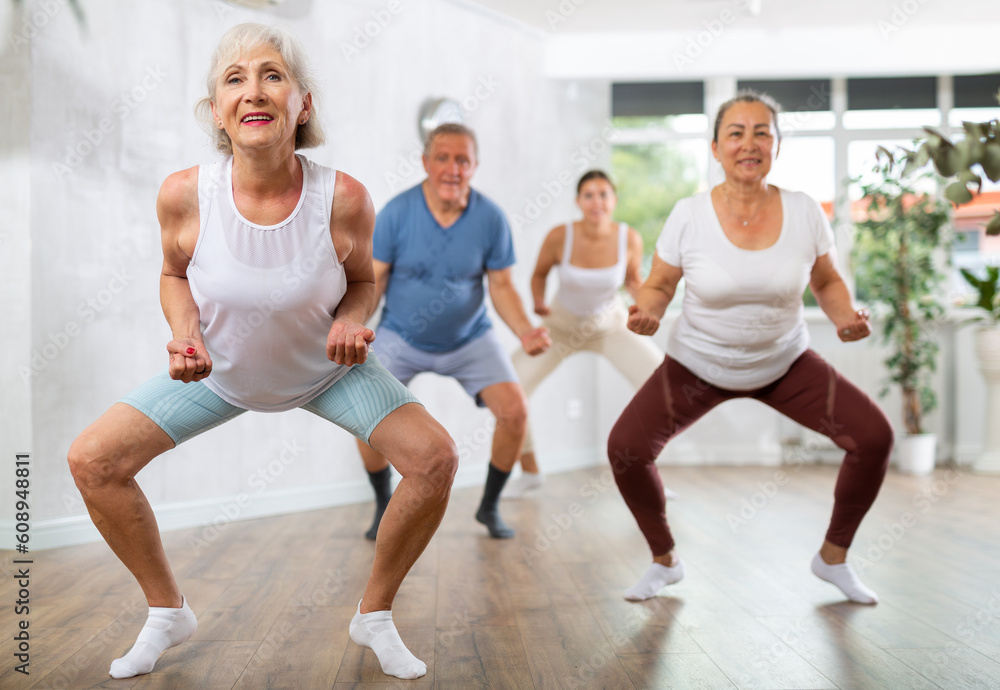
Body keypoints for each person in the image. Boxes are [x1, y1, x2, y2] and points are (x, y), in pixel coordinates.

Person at [67, 23, 456, 681]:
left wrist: (352, 322)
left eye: (273, 74)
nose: (255, 89)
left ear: (302, 103)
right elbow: (173, 274)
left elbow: (363, 282)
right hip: (217, 371)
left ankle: (376, 615)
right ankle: (167, 612)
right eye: (235, 77)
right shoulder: (185, 195)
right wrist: (185, 333)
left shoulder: (345, 198)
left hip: (326, 371)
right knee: (92, 461)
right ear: (217, 110)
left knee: (435, 458)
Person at [607, 91, 893, 605]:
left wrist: (845, 316)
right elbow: (659, 283)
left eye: (762, 132)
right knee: (627, 448)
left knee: (873, 437)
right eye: (736, 133)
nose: (749, 143)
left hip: (785, 362)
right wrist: (647, 310)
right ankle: (664, 560)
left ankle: (833, 559)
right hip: (697, 363)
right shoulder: (688, 214)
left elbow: (827, 280)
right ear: (716, 147)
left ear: (777, 145)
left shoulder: (805, 211)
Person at [357, 122, 551, 541]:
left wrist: (525, 331)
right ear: (426, 163)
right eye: (442, 158)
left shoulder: (490, 218)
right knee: (365, 411)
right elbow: (376, 280)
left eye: (462, 159)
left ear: (475, 165)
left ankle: (489, 507)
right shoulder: (396, 212)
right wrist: (352, 326)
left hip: (470, 338)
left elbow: (501, 286)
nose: (452, 168)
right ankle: (381, 504)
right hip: (401, 336)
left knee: (515, 411)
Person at [505, 170, 667, 498]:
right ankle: (530, 470)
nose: (597, 202)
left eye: (604, 194)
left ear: (614, 200)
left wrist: (644, 305)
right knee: (509, 388)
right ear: (578, 201)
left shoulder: (629, 238)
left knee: (663, 383)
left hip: (610, 327)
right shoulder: (559, 237)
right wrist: (537, 301)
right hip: (560, 328)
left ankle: (648, 472)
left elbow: (633, 280)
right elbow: (538, 275)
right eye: (589, 195)